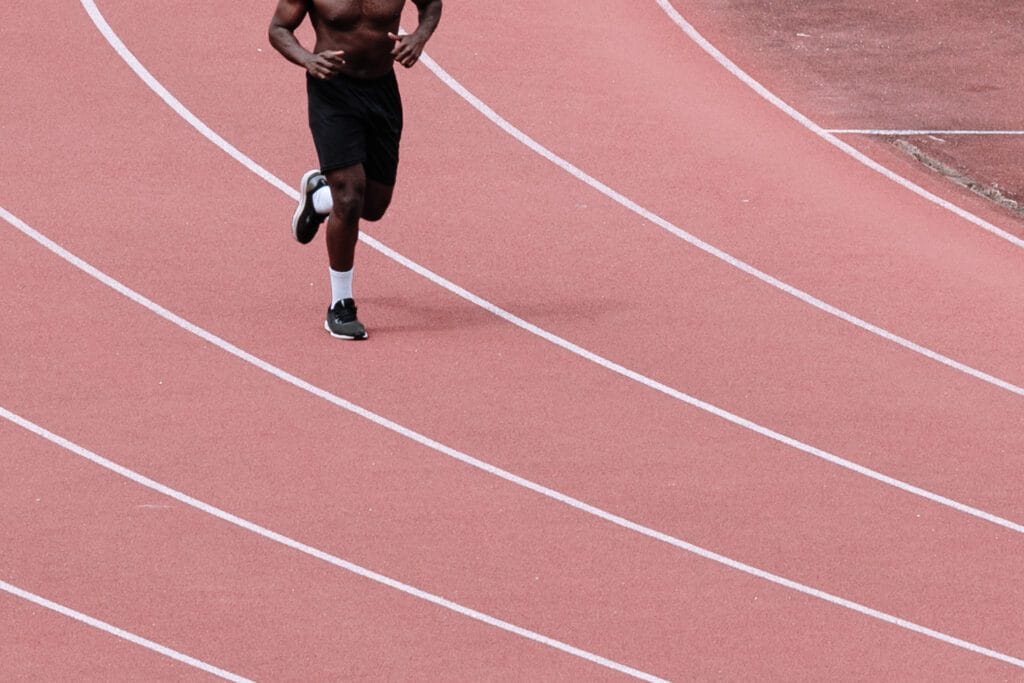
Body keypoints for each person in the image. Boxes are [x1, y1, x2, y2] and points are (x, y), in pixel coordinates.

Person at [269, 0, 443, 340]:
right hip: (332, 90)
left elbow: (432, 5)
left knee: (373, 207)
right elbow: (278, 29)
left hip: (381, 91)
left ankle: (320, 196)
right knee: (350, 198)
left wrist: (420, 36)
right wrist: (307, 59)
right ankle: (341, 304)